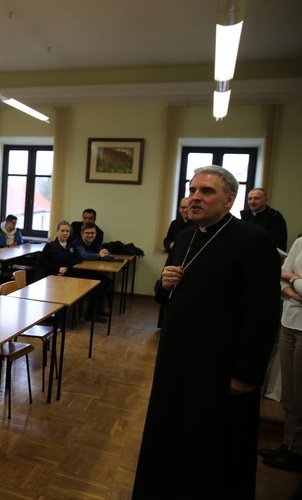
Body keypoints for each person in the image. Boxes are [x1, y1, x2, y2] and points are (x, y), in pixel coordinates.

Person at [133, 166, 280, 498]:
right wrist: (162, 284)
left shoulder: (254, 240)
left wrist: (246, 372)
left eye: (206, 191)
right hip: (176, 361)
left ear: (229, 200)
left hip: (220, 368)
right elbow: (168, 291)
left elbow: (263, 313)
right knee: (171, 436)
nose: (195, 197)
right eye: (192, 190)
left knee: (210, 448)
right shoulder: (185, 237)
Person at [258, 236, 302, 471]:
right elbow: (281, 273)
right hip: (289, 321)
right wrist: (294, 285)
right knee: (290, 392)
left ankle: (298, 450)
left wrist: (292, 279)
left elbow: (289, 276)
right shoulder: (301, 243)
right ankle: (288, 444)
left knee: (301, 391)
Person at [71, 223, 110, 322]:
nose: (90, 235)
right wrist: (99, 255)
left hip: (87, 272)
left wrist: (106, 253)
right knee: (100, 283)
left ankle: (97, 309)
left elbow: (105, 253)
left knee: (107, 281)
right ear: (82, 233)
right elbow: (84, 256)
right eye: (87, 233)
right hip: (76, 273)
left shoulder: (94, 243)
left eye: (92, 233)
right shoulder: (77, 243)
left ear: (96, 234)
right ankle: (91, 314)